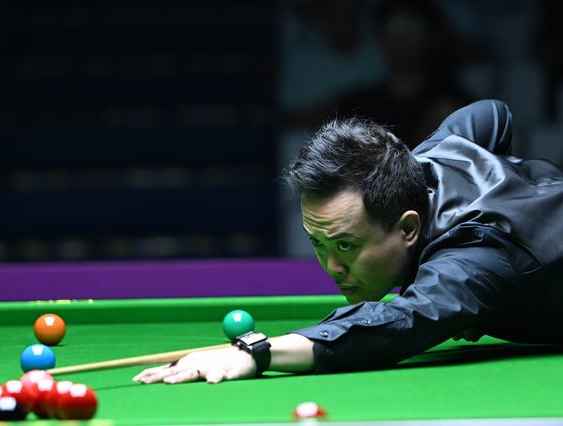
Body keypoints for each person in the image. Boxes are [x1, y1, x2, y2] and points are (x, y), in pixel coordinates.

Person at [134, 100, 563, 384]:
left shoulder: (474, 263)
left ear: (408, 229)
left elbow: (400, 323)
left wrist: (257, 353)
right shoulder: (426, 163)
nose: (332, 267)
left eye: (345, 246)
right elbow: (492, 112)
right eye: (317, 244)